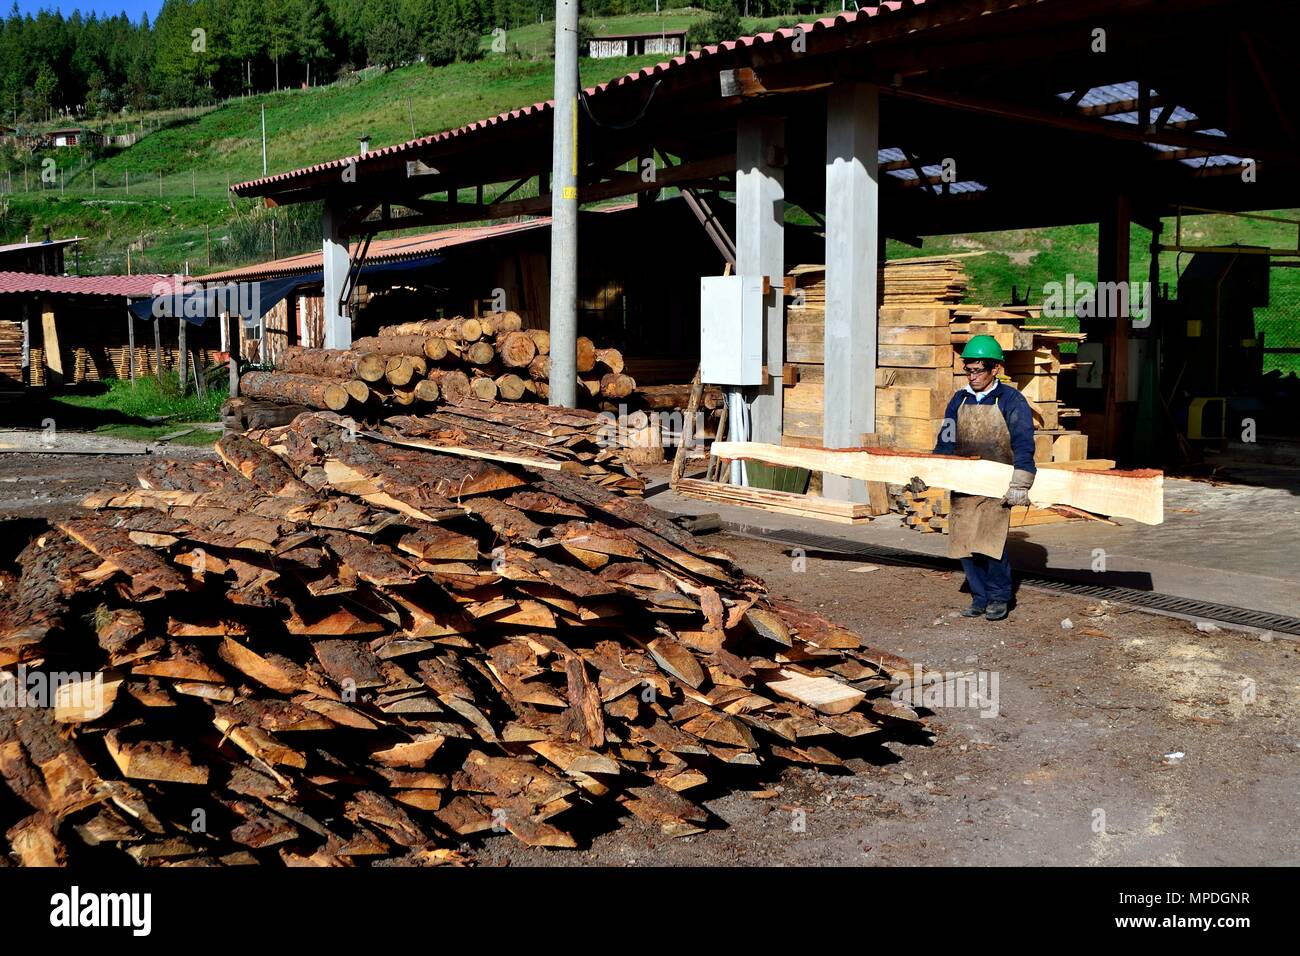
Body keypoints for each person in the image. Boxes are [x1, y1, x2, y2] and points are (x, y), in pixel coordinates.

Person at [907, 334, 1036, 621]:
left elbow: (1024, 443)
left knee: (990, 544)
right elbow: (946, 440)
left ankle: (999, 598)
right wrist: (929, 472)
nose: (972, 376)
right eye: (968, 369)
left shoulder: (1012, 400)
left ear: (995, 370)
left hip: (997, 485)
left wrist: (1021, 482)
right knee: (964, 544)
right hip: (964, 483)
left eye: (978, 370)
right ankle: (979, 598)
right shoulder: (959, 399)